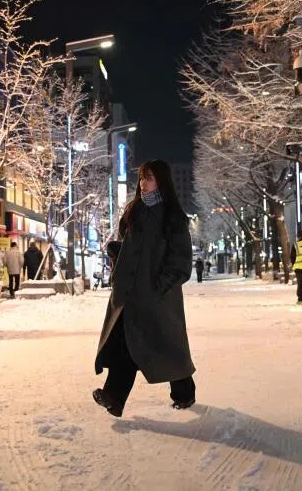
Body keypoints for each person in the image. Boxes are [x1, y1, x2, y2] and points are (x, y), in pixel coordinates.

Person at [93, 159, 196, 418]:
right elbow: (130, 247)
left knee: (168, 346)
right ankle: (114, 397)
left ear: (161, 181)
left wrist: (159, 287)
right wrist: (117, 253)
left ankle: (184, 392)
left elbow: (181, 260)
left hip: (157, 296)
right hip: (129, 295)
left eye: (148, 178)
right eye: (141, 178)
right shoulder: (134, 212)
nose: (143, 183)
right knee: (127, 344)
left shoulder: (172, 217)